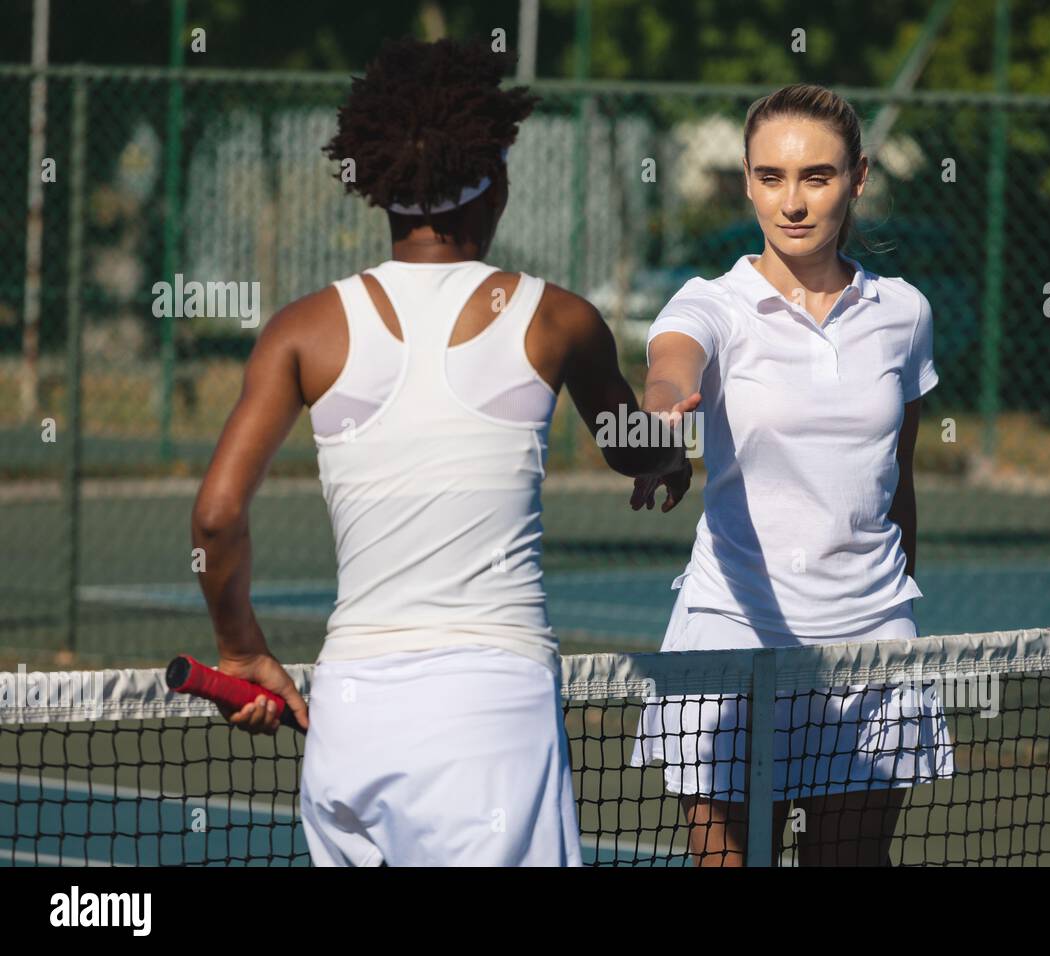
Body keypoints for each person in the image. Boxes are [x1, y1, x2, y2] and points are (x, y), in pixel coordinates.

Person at [190, 38, 691, 866]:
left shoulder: (300, 329)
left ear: (376, 180)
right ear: (494, 178)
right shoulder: (558, 319)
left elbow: (214, 519)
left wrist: (241, 649)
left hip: (350, 716)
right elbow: (630, 447)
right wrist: (673, 454)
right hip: (491, 711)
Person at [630, 84, 953, 866]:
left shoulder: (904, 313)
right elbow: (674, 360)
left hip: (871, 644)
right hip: (732, 638)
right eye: (771, 177)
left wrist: (885, 599)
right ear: (746, 181)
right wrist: (666, 411)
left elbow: (896, 478)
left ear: (859, 178)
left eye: (817, 176)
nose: (793, 201)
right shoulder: (712, 303)